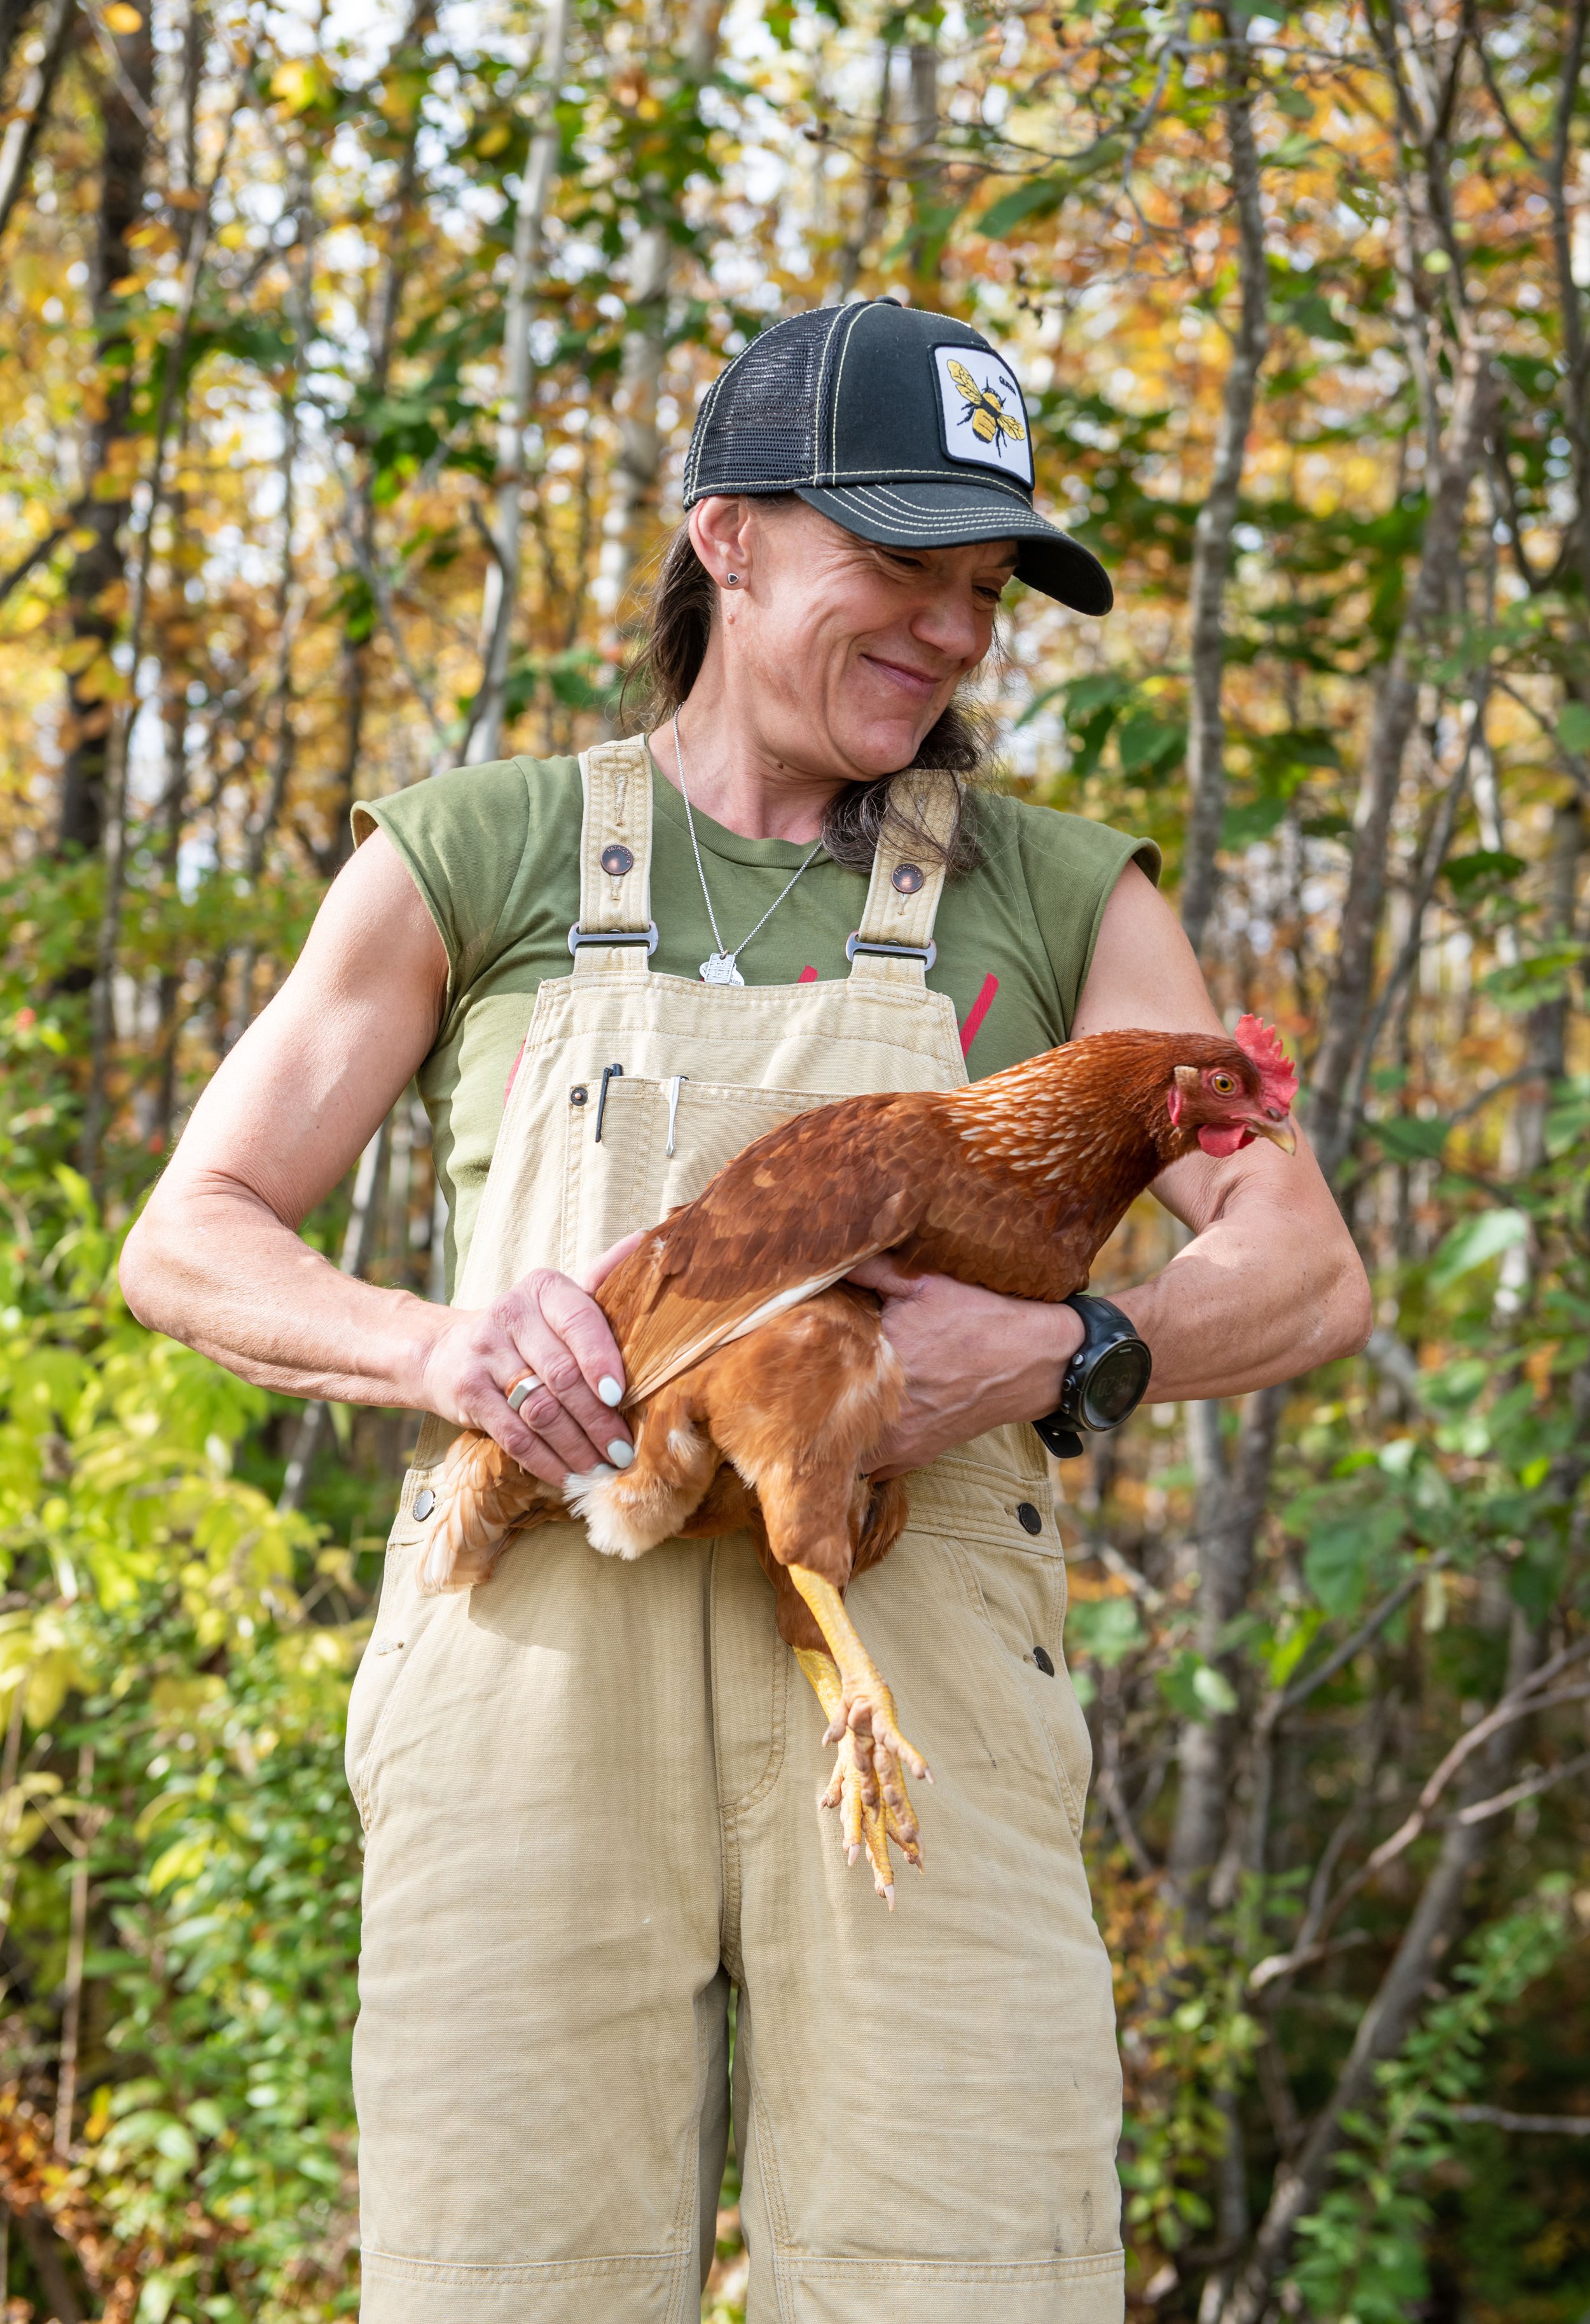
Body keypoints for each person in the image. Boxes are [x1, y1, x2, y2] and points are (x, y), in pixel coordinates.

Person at [121, 299, 1369, 2324]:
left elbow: (1302, 1261)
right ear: (725, 538)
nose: (955, 634)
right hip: (536, 1662)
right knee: (503, 2286)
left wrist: (1067, 1347)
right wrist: (439, 1349)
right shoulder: (485, 851)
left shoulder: (1054, 894)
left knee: (962, 2281)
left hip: (913, 1677)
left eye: (983, 589)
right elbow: (193, 1231)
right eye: (901, 568)